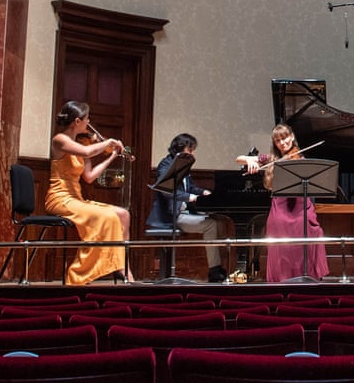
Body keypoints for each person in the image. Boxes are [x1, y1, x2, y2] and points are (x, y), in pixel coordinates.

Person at [43, 101, 135, 284]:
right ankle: (78, 275)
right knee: (107, 218)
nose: (89, 122)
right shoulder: (60, 140)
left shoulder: (82, 141)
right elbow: (87, 152)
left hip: (76, 198)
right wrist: (108, 142)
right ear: (77, 121)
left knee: (123, 215)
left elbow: (90, 177)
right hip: (59, 198)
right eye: (86, 119)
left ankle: (123, 268)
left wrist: (112, 156)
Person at [236, 123, 329, 281]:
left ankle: (306, 278)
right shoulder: (272, 159)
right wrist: (249, 161)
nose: (283, 143)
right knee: (280, 244)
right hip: (280, 211)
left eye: (285, 138)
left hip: (301, 210)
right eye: (278, 140)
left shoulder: (301, 159)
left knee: (312, 233)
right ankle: (282, 281)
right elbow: (239, 159)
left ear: (292, 136)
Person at [147, 132, 231, 282]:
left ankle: (217, 267)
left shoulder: (183, 166)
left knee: (217, 221)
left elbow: (190, 187)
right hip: (171, 216)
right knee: (210, 225)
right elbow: (167, 190)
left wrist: (203, 192)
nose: (192, 154)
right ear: (180, 148)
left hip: (184, 212)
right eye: (190, 150)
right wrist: (188, 197)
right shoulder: (166, 165)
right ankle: (214, 271)